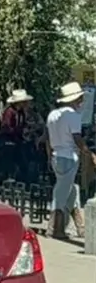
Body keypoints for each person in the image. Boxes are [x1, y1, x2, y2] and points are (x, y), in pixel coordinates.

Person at [47, 81, 93, 240]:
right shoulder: (73, 116)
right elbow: (77, 138)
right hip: (69, 157)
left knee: (72, 189)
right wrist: (87, 152)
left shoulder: (52, 115)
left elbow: (48, 138)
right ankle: (54, 228)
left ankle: (80, 227)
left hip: (56, 156)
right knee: (61, 193)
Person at [0, 90, 33, 179]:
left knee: (23, 163)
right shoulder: (9, 112)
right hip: (8, 141)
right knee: (7, 163)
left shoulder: (21, 113)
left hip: (17, 141)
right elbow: (6, 127)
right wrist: (16, 132)